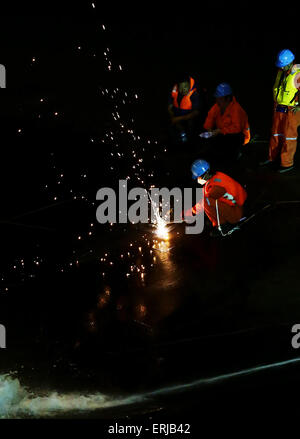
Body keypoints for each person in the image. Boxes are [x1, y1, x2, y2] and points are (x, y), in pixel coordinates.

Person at [261, 49, 300, 173]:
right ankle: (272, 158)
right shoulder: (281, 72)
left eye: (284, 66)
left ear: (291, 62)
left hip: (291, 109)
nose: (282, 68)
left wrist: (299, 106)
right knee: (276, 134)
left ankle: (287, 163)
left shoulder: (297, 74)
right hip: (279, 107)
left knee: (289, 137)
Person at [191, 159, 247, 237]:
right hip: (237, 205)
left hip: (237, 212)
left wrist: (191, 212)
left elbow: (204, 202)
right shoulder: (215, 178)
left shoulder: (215, 187)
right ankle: (220, 221)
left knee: (206, 202)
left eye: (197, 177)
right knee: (207, 202)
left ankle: (223, 226)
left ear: (202, 176)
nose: (197, 180)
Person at [201, 83, 250, 170]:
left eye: (219, 99)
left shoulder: (236, 109)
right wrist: (209, 130)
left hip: (238, 136)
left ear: (227, 98)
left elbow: (237, 128)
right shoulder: (218, 106)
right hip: (223, 133)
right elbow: (210, 117)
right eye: (217, 98)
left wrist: (218, 131)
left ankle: (236, 154)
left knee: (227, 152)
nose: (217, 101)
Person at [168, 76, 203, 144]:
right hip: (178, 115)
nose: (183, 89)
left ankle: (191, 141)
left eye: (185, 87)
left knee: (192, 123)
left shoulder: (194, 94)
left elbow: (196, 113)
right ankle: (181, 133)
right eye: (181, 87)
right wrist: (172, 116)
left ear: (190, 85)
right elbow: (169, 106)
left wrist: (178, 119)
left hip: (189, 117)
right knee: (171, 124)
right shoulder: (175, 91)